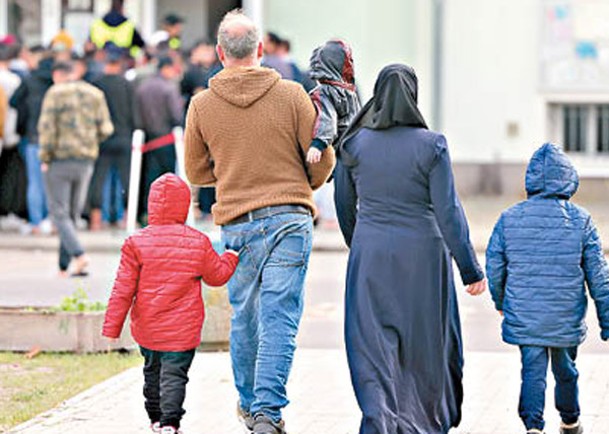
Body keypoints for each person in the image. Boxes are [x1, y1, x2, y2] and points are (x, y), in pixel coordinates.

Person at [184, 10, 334, 434]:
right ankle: (268, 411)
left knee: (244, 315)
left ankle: (251, 406)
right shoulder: (292, 95)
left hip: (236, 223)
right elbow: (322, 158)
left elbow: (196, 172)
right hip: (290, 218)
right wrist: (304, 183)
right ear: (261, 50)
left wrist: (233, 176)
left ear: (218, 53)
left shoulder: (202, 104)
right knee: (279, 316)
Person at [334, 64, 486, 434]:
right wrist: (469, 268)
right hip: (423, 255)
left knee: (371, 344)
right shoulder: (431, 145)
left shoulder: (353, 144)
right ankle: (425, 421)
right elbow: (448, 210)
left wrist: (362, 244)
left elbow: (342, 205)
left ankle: (379, 417)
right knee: (425, 344)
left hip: (370, 253)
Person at [486, 143, 609, 434]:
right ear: (568, 178)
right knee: (566, 370)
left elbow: (494, 268)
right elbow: (599, 276)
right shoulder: (582, 220)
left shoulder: (508, 218)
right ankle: (570, 421)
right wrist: (606, 319)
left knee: (532, 371)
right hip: (565, 316)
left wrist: (501, 301)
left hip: (526, 315)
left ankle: (533, 427)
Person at [102, 173, 239, 434]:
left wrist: (111, 329)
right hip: (183, 330)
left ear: (151, 204)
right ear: (185, 205)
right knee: (175, 376)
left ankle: (155, 418)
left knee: (152, 372)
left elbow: (122, 289)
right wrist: (231, 257)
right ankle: (170, 423)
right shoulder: (198, 242)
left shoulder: (136, 243)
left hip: (148, 328)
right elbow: (216, 276)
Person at [38, 61, 113, 276]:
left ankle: (79, 255)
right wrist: (90, 141)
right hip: (85, 160)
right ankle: (64, 266)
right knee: (71, 214)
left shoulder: (55, 93)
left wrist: (45, 156)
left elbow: (47, 128)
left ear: (57, 75)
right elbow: (106, 128)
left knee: (58, 212)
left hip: (59, 159)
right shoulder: (94, 93)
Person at [88, 47, 136, 230]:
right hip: (124, 137)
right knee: (126, 179)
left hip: (101, 138)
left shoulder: (96, 83)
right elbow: (134, 113)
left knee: (98, 179)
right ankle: (125, 217)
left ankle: (96, 220)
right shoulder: (127, 85)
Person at [10, 48, 54, 235]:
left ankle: (36, 222)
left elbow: (13, 102)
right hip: (54, 140)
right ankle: (50, 220)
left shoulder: (29, 81)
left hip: (32, 136)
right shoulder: (55, 84)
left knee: (35, 182)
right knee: (52, 183)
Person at [135, 55, 183, 223]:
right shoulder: (168, 88)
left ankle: (147, 213)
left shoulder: (142, 87)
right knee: (167, 179)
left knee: (148, 177)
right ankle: (166, 216)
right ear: (166, 68)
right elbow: (176, 115)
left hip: (146, 139)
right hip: (167, 139)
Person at [307, 39, 360, 163]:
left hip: (336, 151)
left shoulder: (323, 92)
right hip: (354, 147)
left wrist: (317, 144)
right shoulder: (350, 91)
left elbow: (327, 118)